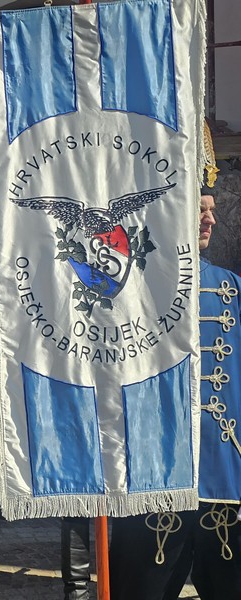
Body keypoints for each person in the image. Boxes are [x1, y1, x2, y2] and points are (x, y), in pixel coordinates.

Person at [108, 179, 241, 599]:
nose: (210, 220)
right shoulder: (130, 290)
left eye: (212, 210)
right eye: (200, 209)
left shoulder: (231, 288)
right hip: (152, 473)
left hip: (226, 476)